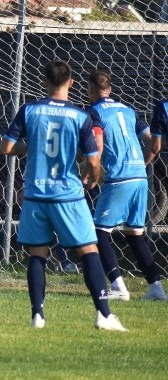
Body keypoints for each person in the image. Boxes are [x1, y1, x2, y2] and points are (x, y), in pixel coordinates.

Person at [0, 60, 126, 331]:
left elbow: (7, 147)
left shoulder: (29, 110)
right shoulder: (81, 116)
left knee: (38, 252)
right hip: (67, 194)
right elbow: (93, 160)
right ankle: (104, 315)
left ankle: (37, 315)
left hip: (35, 193)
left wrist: (29, 147)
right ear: (71, 83)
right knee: (89, 249)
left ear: (44, 81)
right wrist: (93, 177)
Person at [87, 69, 165, 301]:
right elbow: (153, 142)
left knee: (98, 232)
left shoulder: (94, 112)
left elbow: (98, 145)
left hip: (119, 178)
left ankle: (119, 287)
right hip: (140, 177)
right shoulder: (129, 111)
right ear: (110, 89)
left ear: (91, 90)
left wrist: (91, 172)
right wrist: (141, 163)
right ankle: (156, 289)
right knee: (135, 234)